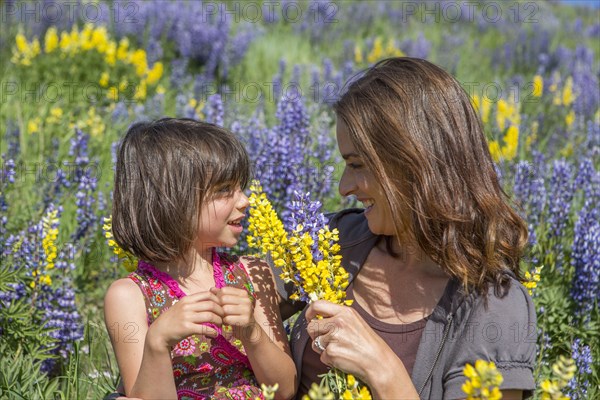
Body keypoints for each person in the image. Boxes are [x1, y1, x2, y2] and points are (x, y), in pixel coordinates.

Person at [275, 57, 537, 399]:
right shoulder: (337, 241)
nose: (343, 187)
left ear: (413, 162)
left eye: (357, 165)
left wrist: (382, 370)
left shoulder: (494, 306)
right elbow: (231, 292)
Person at [104, 118, 296, 400]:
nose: (245, 201)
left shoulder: (253, 273)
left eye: (240, 187)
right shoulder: (128, 296)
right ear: (172, 200)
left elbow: (286, 390)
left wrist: (252, 333)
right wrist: (157, 343)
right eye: (224, 190)